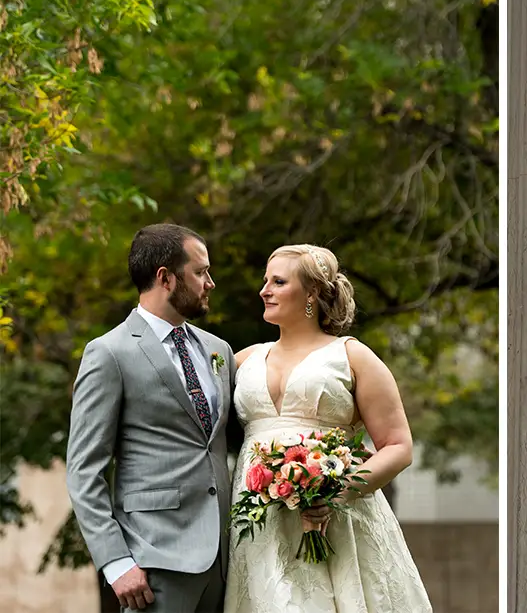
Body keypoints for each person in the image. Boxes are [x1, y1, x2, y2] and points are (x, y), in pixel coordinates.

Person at [223, 244, 432, 613]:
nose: (264, 290)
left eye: (278, 281)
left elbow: (399, 446)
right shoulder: (242, 359)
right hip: (260, 524)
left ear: (311, 294)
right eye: (265, 281)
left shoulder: (352, 356)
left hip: (336, 522)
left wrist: (335, 493)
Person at [67, 224, 252, 611]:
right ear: (165, 278)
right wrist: (116, 562)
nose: (210, 283)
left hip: (225, 560)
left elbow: (242, 436)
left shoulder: (218, 350)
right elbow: (84, 471)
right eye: (200, 272)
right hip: (153, 564)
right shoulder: (109, 353)